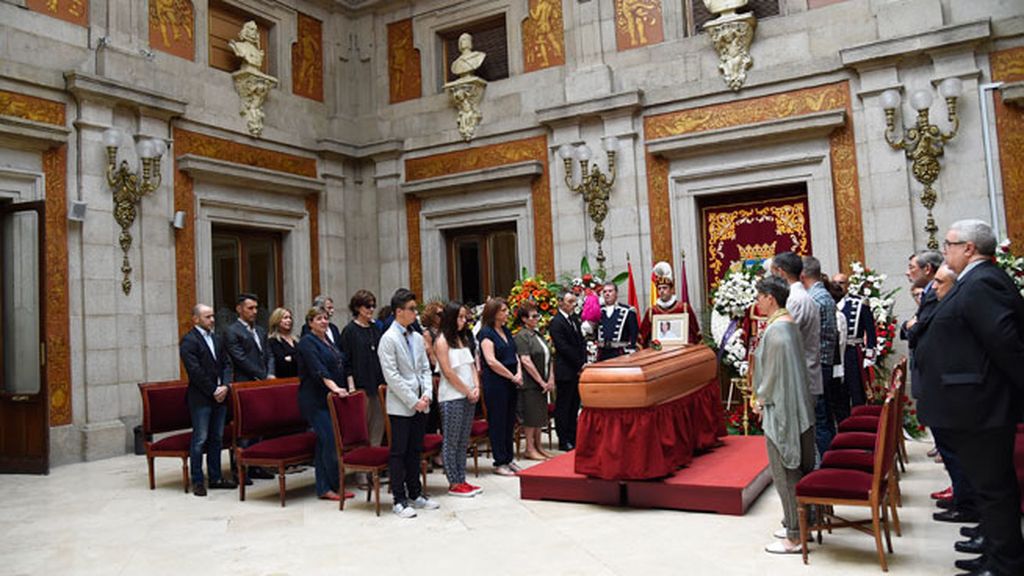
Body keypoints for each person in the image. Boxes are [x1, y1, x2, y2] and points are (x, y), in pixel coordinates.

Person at [915, 220, 1024, 576]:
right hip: (973, 405)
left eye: (949, 244)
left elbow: (1006, 345)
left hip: (982, 405)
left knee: (995, 489)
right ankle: (993, 552)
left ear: (969, 248)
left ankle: (1005, 564)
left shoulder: (984, 282)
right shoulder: (972, 282)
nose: (944, 251)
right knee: (987, 487)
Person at [750, 276, 815, 555]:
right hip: (799, 406)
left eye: (759, 297)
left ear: (770, 298)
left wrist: (759, 400)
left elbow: (773, 376)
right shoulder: (787, 324)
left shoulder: (777, 330)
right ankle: (803, 522)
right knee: (796, 470)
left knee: (785, 471)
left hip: (783, 410)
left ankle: (793, 535)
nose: (757, 302)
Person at [378, 288, 440, 518]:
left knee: (415, 449)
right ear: (399, 311)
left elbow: (425, 368)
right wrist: (413, 400)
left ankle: (416, 493)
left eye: (416, 308)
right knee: (399, 451)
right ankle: (399, 499)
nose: (415, 313)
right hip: (401, 405)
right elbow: (391, 376)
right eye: (412, 309)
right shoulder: (388, 339)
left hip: (420, 403)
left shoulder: (415, 337)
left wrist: (426, 395)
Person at [296, 307, 354, 503]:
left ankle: (325, 487)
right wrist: (335, 388)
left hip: (330, 399)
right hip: (315, 400)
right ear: (310, 322)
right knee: (329, 440)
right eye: (319, 319)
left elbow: (341, 363)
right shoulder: (306, 342)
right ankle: (334, 485)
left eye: (326, 318)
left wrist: (347, 387)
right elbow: (318, 370)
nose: (324, 322)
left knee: (325, 443)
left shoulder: (327, 340)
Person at [179, 304, 236, 496]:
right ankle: (197, 481)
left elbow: (227, 364)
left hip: (220, 396)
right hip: (202, 398)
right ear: (196, 319)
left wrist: (226, 386)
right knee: (200, 439)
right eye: (207, 317)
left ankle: (216, 477)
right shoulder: (188, 341)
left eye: (212, 316)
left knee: (217, 438)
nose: (212, 320)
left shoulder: (217, 339)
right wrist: (213, 390)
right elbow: (195, 372)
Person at [771, 253, 821, 452]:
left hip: (799, 377)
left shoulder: (795, 300)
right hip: (802, 373)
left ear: (781, 272)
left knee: (800, 440)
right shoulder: (799, 296)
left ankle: (808, 479)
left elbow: (784, 340)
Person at [435, 301, 483, 497]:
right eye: (460, 317)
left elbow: (471, 366)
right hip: (452, 396)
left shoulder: (462, 339)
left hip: (468, 394)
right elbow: (447, 372)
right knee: (452, 440)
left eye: (465, 317)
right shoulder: (442, 341)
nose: (464, 321)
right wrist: (466, 390)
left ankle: (462, 478)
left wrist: (476, 387)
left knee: (464, 441)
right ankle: (454, 481)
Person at [477, 297, 522, 476]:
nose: (507, 313)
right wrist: (512, 376)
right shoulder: (486, 333)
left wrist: (518, 372)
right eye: (503, 310)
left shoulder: (506, 330)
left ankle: (509, 458)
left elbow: (514, 353)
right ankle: (499, 461)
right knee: (498, 421)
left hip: (511, 380)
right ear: (494, 313)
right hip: (496, 382)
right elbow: (491, 361)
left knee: (509, 421)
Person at [801, 255, 838, 457]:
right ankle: (832, 456)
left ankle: (826, 461)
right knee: (826, 416)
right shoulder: (825, 295)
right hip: (826, 361)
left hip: (817, 364)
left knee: (819, 417)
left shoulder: (814, 299)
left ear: (803, 275)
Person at [339, 290, 386, 446]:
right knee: (363, 424)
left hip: (378, 382)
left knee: (378, 422)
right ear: (358, 308)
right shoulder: (349, 331)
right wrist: (351, 385)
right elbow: (347, 360)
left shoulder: (376, 328)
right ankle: (363, 461)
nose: (371, 309)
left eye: (373, 306)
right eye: (367, 306)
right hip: (360, 384)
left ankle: (375, 456)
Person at [514, 301, 555, 461]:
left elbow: (549, 356)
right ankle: (529, 449)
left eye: (537, 315)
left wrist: (550, 378)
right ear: (524, 319)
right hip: (530, 384)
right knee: (531, 417)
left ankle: (538, 446)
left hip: (543, 382)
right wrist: (540, 381)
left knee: (539, 416)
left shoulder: (537, 334)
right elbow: (526, 361)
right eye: (533, 316)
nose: (537, 318)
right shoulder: (522, 336)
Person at [833, 272, 877, 408]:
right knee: (839, 391)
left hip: (853, 351)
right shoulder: (828, 303)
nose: (838, 286)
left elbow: (870, 330)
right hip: (835, 354)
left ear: (848, 285)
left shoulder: (859, 303)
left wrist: (869, 355)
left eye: (841, 283)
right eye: (835, 283)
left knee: (856, 389)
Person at [549, 291, 586, 451]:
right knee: (564, 406)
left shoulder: (574, 319)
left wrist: (583, 362)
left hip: (577, 370)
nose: (573, 304)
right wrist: (579, 364)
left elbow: (581, 342)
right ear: (561, 303)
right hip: (565, 370)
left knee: (574, 405)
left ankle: (573, 436)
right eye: (570, 301)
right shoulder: (556, 322)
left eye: (574, 301)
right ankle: (563, 440)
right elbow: (563, 347)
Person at [639, 261, 701, 346]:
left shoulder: (684, 308)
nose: (661, 291)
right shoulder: (652, 311)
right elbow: (642, 338)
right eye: (659, 288)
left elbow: (696, 335)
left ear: (671, 290)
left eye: (665, 288)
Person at [225, 293, 274, 383]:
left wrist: (270, 373)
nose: (255, 311)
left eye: (256, 308)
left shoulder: (261, 330)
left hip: (266, 380)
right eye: (250, 308)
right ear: (239, 309)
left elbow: (269, 354)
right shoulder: (232, 331)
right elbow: (241, 359)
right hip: (245, 382)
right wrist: (263, 376)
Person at [596, 282, 639, 361]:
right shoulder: (598, 311)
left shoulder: (628, 311)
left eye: (610, 291)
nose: (607, 294)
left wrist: (631, 350)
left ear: (616, 293)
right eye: (605, 292)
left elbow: (634, 333)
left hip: (620, 352)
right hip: (602, 353)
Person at [267, 307, 298, 378]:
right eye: (285, 318)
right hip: (284, 380)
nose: (289, 320)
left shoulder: (296, 339)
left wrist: (291, 358)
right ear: (277, 320)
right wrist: (296, 358)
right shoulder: (273, 341)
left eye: (290, 318)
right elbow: (282, 362)